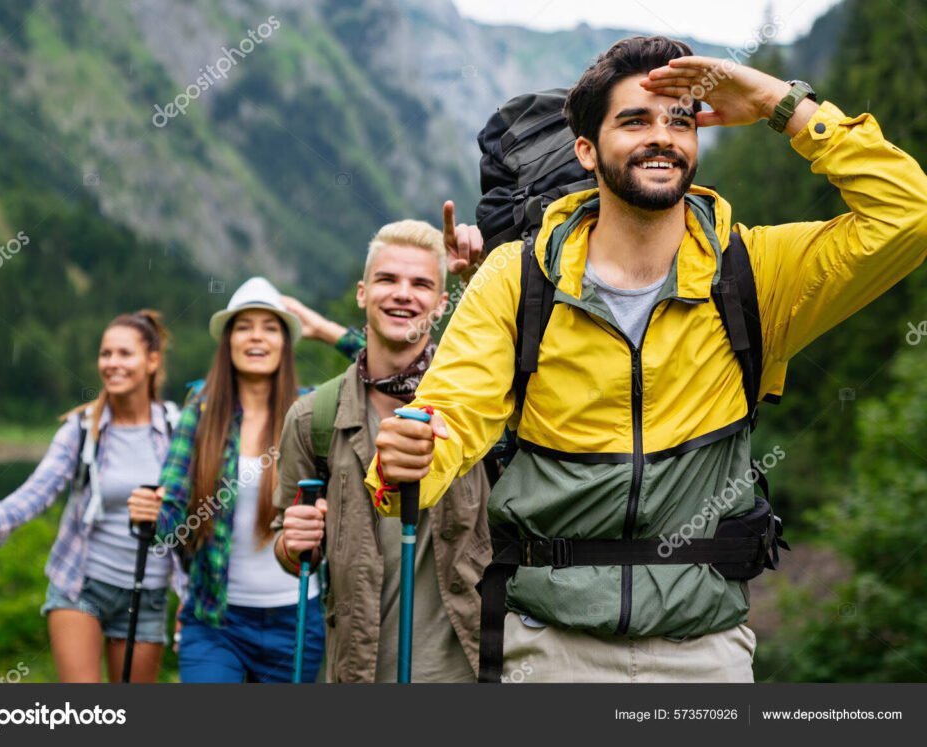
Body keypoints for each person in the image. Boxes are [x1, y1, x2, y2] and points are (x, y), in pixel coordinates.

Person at [366, 36, 927, 682]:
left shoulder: (754, 273)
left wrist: (780, 102)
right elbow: (450, 419)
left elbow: (907, 216)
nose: (661, 136)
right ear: (586, 150)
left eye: (680, 121)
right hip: (549, 649)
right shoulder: (517, 279)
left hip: (706, 651)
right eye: (634, 121)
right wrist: (406, 463)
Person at [273, 218, 492, 682]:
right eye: (388, 279)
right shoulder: (313, 419)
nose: (403, 294)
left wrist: (483, 276)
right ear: (362, 293)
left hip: (466, 669)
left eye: (421, 284)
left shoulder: (480, 408)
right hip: (358, 669)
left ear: (442, 303)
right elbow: (289, 550)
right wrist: (292, 543)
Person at [0, 310, 180, 683]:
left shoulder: (176, 428)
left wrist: (189, 592)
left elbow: (196, 511)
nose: (112, 363)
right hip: (81, 584)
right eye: (105, 354)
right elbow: (38, 491)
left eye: (125, 354)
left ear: (152, 361)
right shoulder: (82, 428)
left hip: (148, 592)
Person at [129, 277, 324, 682]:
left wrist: (324, 330)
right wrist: (151, 515)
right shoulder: (200, 414)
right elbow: (171, 519)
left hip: (297, 620)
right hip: (215, 621)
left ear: (285, 344)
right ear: (228, 341)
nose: (256, 337)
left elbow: (388, 371)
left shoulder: (311, 412)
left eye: (270, 328)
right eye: (244, 326)